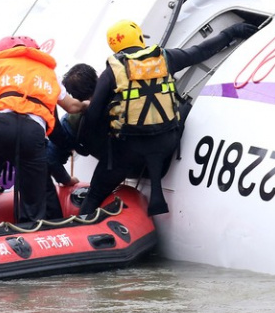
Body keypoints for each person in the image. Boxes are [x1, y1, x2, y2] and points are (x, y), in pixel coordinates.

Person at [78, 18, 258, 217]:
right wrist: (232, 32)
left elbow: (93, 115)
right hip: (166, 144)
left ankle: (82, 222)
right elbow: (200, 52)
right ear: (139, 37)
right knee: (183, 107)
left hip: (129, 149)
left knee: (95, 194)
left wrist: (92, 146)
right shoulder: (164, 57)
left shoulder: (112, 70)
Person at [0, 36, 86, 226]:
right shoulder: (49, 73)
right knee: (34, 202)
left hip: (0, 126)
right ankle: (33, 234)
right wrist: (90, 104)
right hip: (33, 133)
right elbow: (73, 107)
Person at [46, 62, 99, 188]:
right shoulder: (72, 121)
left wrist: (65, 180)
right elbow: (50, 156)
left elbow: (50, 157)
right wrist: (66, 179)